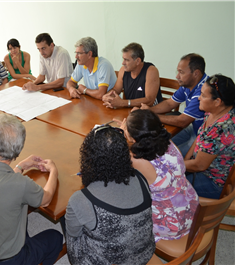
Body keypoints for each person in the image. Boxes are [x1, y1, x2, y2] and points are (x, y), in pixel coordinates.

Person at [0, 114, 62, 265]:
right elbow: (46, 200)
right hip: (8, 261)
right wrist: (53, 170)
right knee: (55, 237)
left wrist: (20, 167)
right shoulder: (20, 184)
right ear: (18, 150)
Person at [65, 125, 155, 265]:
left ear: (89, 159)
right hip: (143, 253)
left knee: (71, 231)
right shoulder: (140, 177)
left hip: (107, 261)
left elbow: (73, 233)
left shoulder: (80, 199)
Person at [115, 109, 199, 242]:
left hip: (171, 222)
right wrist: (128, 132)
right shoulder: (168, 143)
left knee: (115, 210)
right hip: (191, 207)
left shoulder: (137, 160)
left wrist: (121, 133)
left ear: (133, 138)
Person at [136, 53, 208, 156]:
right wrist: (149, 110)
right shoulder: (188, 84)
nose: (177, 76)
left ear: (196, 73)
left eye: (181, 72)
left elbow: (182, 121)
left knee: (168, 155)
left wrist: (151, 116)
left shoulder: (203, 92)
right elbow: (170, 103)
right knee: (160, 144)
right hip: (193, 128)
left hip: (203, 137)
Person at [184, 74, 235, 199]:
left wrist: (175, 166)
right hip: (201, 168)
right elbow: (201, 136)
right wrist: (186, 159)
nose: (198, 98)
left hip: (213, 181)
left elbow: (199, 165)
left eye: (203, 96)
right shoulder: (213, 111)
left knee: (166, 186)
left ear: (217, 101)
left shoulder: (221, 128)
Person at [102, 42, 162, 108]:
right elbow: (116, 89)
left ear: (138, 61)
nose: (123, 63)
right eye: (123, 59)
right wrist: (107, 96)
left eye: (126, 60)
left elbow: (150, 100)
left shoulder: (151, 71)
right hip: (131, 111)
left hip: (150, 113)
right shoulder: (123, 70)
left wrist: (123, 103)